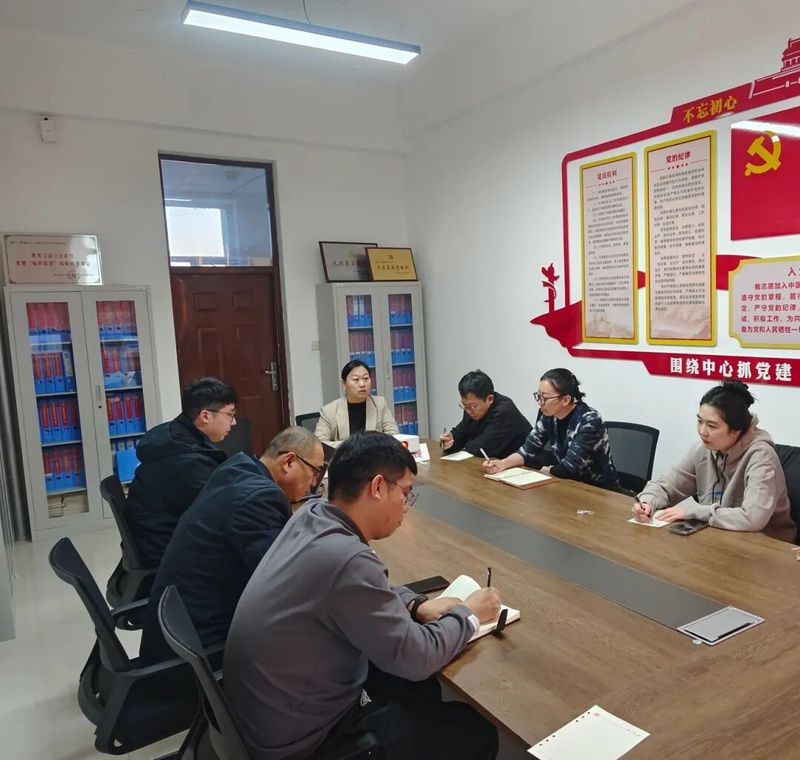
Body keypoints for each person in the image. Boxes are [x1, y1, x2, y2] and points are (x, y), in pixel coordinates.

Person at [225, 431, 501, 760]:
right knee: (474, 731)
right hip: (304, 744)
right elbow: (417, 657)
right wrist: (470, 614)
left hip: (268, 718)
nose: (406, 507)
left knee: (416, 688)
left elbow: (352, 590)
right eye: (406, 494)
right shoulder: (346, 558)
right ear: (378, 487)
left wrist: (415, 604)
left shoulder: (312, 515)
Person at [139, 426, 325, 664]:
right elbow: (284, 582)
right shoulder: (259, 498)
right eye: (315, 472)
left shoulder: (238, 468)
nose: (314, 483)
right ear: (289, 461)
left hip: (185, 627)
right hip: (203, 648)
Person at [632, 381, 795, 542]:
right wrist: (647, 503)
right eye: (699, 421)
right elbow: (666, 485)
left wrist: (694, 510)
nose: (702, 431)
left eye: (712, 426)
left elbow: (752, 518)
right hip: (718, 537)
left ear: (736, 431)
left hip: (766, 546)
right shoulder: (703, 449)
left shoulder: (762, 457)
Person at [126, 377, 238, 567]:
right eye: (230, 415)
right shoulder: (186, 461)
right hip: (167, 554)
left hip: (157, 540)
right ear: (205, 416)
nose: (234, 422)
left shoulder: (173, 434)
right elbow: (221, 511)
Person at [483, 368, 619, 490]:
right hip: (566, 485)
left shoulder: (589, 420)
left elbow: (569, 468)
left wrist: (549, 470)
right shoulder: (549, 416)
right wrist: (502, 464)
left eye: (545, 398)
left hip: (598, 490)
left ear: (565, 400)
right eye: (538, 396)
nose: (540, 403)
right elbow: (527, 450)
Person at [439, 370, 531, 458]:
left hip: (524, 465)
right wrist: (450, 440)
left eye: (473, 406)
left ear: (490, 399)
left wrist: (465, 444)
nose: (468, 411)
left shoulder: (504, 411)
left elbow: (481, 449)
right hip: (495, 463)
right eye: (464, 405)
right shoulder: (470, 408)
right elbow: (462, 433)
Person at [315, 359, 399, 442]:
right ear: (344, 383)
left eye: (366, 378)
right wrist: (352, 447)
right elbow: (320, 443)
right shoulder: (329, 411)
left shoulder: (380, 404)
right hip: (345, 451)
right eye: (356, 379)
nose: (362, 384)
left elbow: (393, 435)